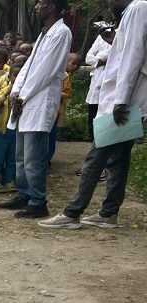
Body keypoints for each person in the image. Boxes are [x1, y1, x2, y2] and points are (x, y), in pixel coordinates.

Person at [40, 0, 147, 229]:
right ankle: (108, 213)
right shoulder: (132, 12)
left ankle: (72, 213)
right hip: (124, 100)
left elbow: (133, 56)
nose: (109, 3)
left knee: (95, 157)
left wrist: (121, 101)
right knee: (118, 160)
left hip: (124, 102)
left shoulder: (138, 8)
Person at [0, 0, 71, 219]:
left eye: (41, 3)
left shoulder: (61, 33)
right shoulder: (45, 32)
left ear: (52, 7)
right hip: (25, 101)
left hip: (39, 101)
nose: (37, 6)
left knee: (33, 156)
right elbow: (29, 66)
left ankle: (38, 201)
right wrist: (16, 91)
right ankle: (24, 193)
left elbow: (46, 71)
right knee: (20, 155)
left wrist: (23, 95)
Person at [0, 55, 24, 193]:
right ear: (9, 76)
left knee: (13, 157)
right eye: (16, 75)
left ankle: (9, 180)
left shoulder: (27, 90)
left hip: (18, 128)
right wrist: (7, 92)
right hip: (2, 127)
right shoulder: (3, 86)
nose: (19, 79)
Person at [84, 25, 115, 144]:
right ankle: (94, 140)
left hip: (111, 81)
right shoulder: (101, 37)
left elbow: (113, 54)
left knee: (107, 114)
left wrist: (103, 55)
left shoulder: (124, 34)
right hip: (97, 79)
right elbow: (88, 57)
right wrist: (100, 60)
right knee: (93, 112)